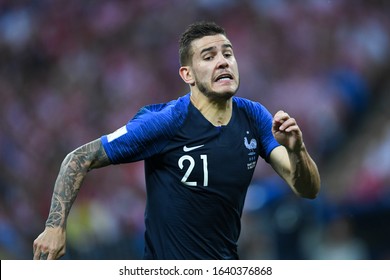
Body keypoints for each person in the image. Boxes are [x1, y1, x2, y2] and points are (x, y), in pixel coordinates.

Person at [33, 21, 320, 260]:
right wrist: (54, 227)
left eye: (228, 54)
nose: (222, 62)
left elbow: (307, 188)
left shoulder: (254, 116)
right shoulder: (166, 122)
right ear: (187, 74)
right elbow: (78, 158)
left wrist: (298, 149)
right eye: (208, 57)